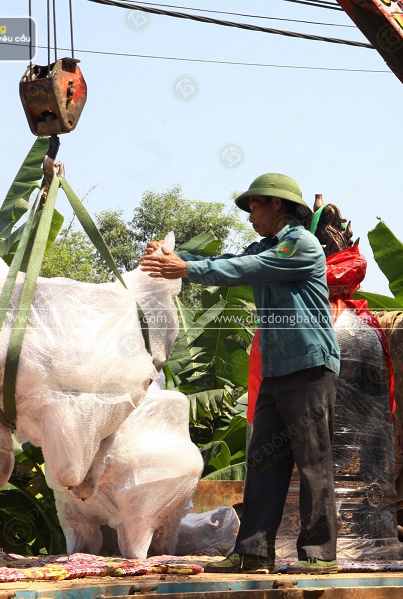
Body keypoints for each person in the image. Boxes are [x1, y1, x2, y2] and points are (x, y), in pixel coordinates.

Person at [140, 173, 340, 574]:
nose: (250, 216)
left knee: (313, 461)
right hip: (277, 368)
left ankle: (319, 556)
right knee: (264, 461)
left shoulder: (300, 244)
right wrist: (174, 258)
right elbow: (228, 263)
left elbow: (249, 267)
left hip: (309, 366)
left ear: (277, 205)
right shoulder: (267, 246)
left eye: (255, 207)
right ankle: (252, 550)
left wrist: (183, 269)